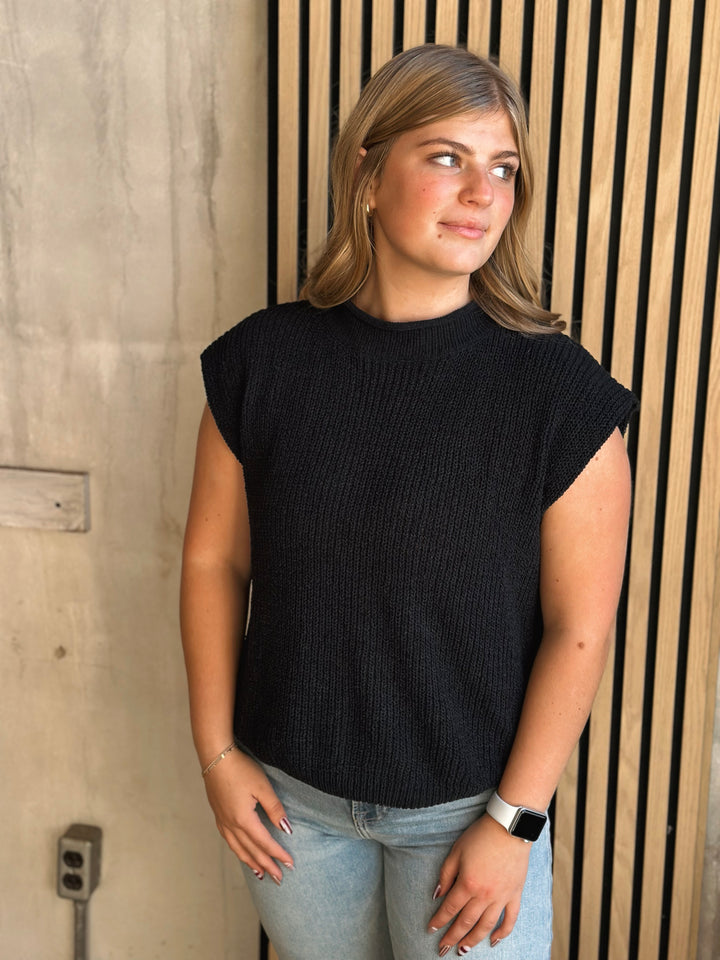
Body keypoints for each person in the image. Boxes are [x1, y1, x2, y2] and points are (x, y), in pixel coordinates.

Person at [180, 44, 638, 959]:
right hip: (293, 814)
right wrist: (219, 756)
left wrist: (514, 824)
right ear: (366, 171)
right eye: (446, 157)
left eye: (502, 169)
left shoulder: (560, 396)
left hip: (468, 818)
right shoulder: (260, 364)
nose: (482, 193)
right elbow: (213, 562)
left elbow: (580, 628)